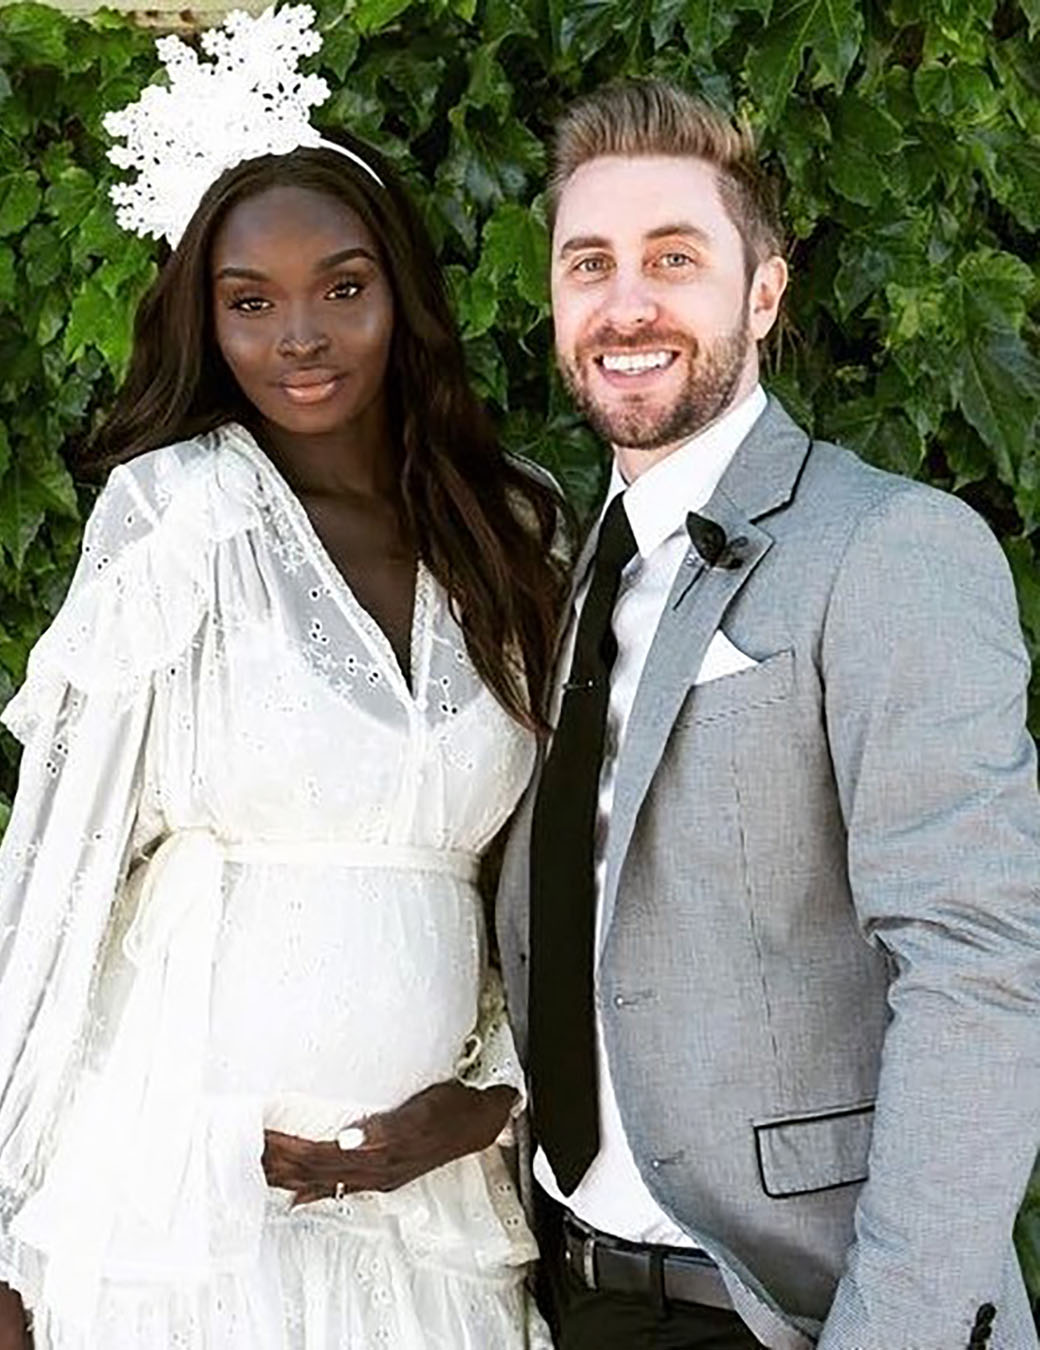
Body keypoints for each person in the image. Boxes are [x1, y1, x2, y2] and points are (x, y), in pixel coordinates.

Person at [0, 15, 568, 1345]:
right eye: (251, 302)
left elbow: (553, 873)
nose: (301, 335)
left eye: (342, 288)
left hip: (428, 1219)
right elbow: (57, 875)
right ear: (207, 316)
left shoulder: (516, 530)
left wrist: (488, 1097)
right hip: (183, 1212)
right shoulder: (176, 518)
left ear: (403, 294)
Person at [496, 78, 1040, 1350]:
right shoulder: (562, 569)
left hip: (788, 1311)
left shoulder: (889, 547)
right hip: (566, 1290)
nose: (627, 303)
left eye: (674, 258)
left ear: (763, 294)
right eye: (590, 264)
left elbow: (979, 970)